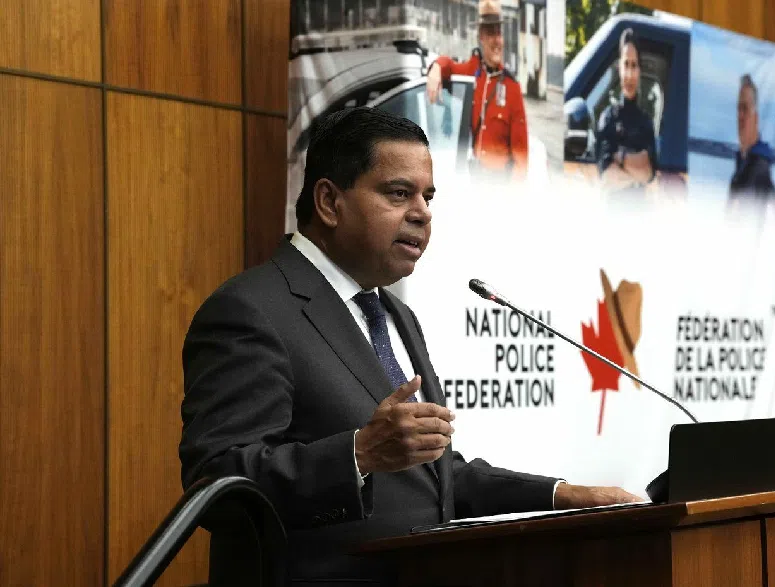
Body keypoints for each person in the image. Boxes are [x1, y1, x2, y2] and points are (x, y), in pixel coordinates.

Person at [178, 107, 642, 585]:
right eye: (399, 193)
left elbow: (435, 479)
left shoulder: (395, 316)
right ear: (328, 202)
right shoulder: (253, 310)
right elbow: (216, 482)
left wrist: (563, 496)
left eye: (428, 196)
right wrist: (356, 455)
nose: (422, 212)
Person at [425, 0, 528, 180]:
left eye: (499, 33)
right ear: (481, 36)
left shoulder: (512, 88)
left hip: (499, 184)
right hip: (474, 178)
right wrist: (436, 68)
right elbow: (449, 65)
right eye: (490, 33)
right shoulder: (472, 72)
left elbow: (521, 156)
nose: (497, 40)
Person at [595, 28, 658, 194]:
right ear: (619, 68)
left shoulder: (646, 122)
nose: (629, 74)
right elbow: (607, 175)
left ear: (639, 70)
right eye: (626, 64)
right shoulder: (608, 118)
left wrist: (620, 157)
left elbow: (648, 174)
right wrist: (636, 173)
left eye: (634, 65)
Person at [728, 74, 775, 201]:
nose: (740, 116)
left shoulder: (758, 171)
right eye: (738, 109)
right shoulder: (743, 167)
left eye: (745, 109)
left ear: (756, 118)